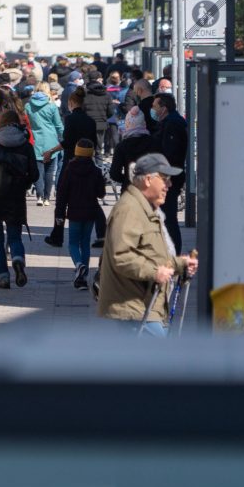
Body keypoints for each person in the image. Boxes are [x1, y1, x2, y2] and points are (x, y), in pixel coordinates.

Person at [98, 153, 198, 336]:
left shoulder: (146, 208)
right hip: (134, 308)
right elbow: (121, 256)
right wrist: (155, 273)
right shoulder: (130, 209)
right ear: (148, 180)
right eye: (165, 179)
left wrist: (180, 265)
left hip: (146, 306)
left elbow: (152, 254)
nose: (169, 185)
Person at [0, 107, 39, 289]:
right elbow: (34, 174)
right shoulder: (26, 145)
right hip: (16, 195)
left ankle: (2, 277)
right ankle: (18, 259)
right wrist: (24, 182)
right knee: (14, 236)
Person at [54, 138, 105, 290]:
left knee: (72, 243)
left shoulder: (69, 170)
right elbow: (101, 193)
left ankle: (78, 265)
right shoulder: (96, 171)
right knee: (85, 243)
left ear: (76, 152)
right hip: (90, 213)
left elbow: (62, 194)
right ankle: (82, 278)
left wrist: (59, 214)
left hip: (74, 212)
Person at [151, 93, 188, 253]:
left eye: (155, 106)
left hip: (170, 178)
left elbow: (170, 154)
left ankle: (173, 255)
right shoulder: (170, 121)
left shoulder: (172, 123)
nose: (153, 109)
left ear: (163, 108)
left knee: (169, 218)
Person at [26, 83, 63, 206]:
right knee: (49, 171)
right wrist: (65, 138)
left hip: (35, 140)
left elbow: (25, 125)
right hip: (51, 141)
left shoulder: (28, 106)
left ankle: (39, 196)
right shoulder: (51, 106)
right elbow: (58, 125)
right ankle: (47, 198)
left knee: (38, 170)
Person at [109, 107, 153, 193]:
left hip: (129, 190)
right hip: (149, 190)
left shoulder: (121, 146)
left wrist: (126, 179)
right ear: (144, 123)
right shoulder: (153, 143)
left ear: (127, 124)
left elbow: (114, 174)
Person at [83, 75, 113, 155]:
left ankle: (89, 165)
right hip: (101, 123)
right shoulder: (107, 95)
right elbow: (111, 111)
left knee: (88, 147)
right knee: (99, 147)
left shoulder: (85, 95)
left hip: (88, 124)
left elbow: (82, 109)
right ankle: (99, 164)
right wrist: (104, 117)